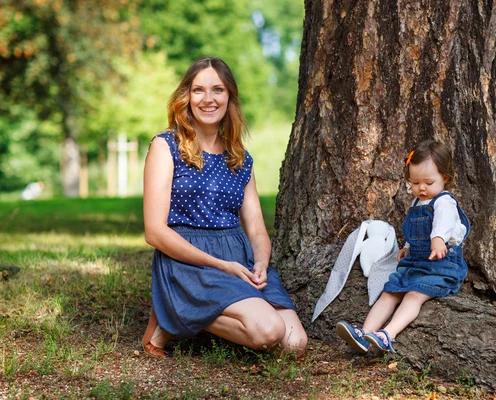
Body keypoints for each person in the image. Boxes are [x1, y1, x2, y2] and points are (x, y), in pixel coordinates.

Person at [142, 56, 308, 358]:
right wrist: (221, 265)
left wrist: (260, 263)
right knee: (269, 330)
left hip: (238, 260)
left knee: (295, 344)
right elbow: (154, 232)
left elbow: (256, 227)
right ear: (186, 97)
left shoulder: (239, 157)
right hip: (188, 262)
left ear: (229, 96)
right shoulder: (166, 146)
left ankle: (182, 313)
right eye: (198, 90)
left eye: (217, 90)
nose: (208, 99)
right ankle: (176, 310)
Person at [336, 140, 470, 354]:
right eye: (415, 183)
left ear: (444, 178)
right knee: (390, 292)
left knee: (413, 295)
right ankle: (365, 333)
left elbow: (443, 223)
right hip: (415, 263)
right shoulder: (417, 203)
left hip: (441, 266)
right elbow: (414, 230)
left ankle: (388, 334)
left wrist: (438, 239)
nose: (421, 188)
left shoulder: (445, 202)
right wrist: (408, 246)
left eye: (428, 182)